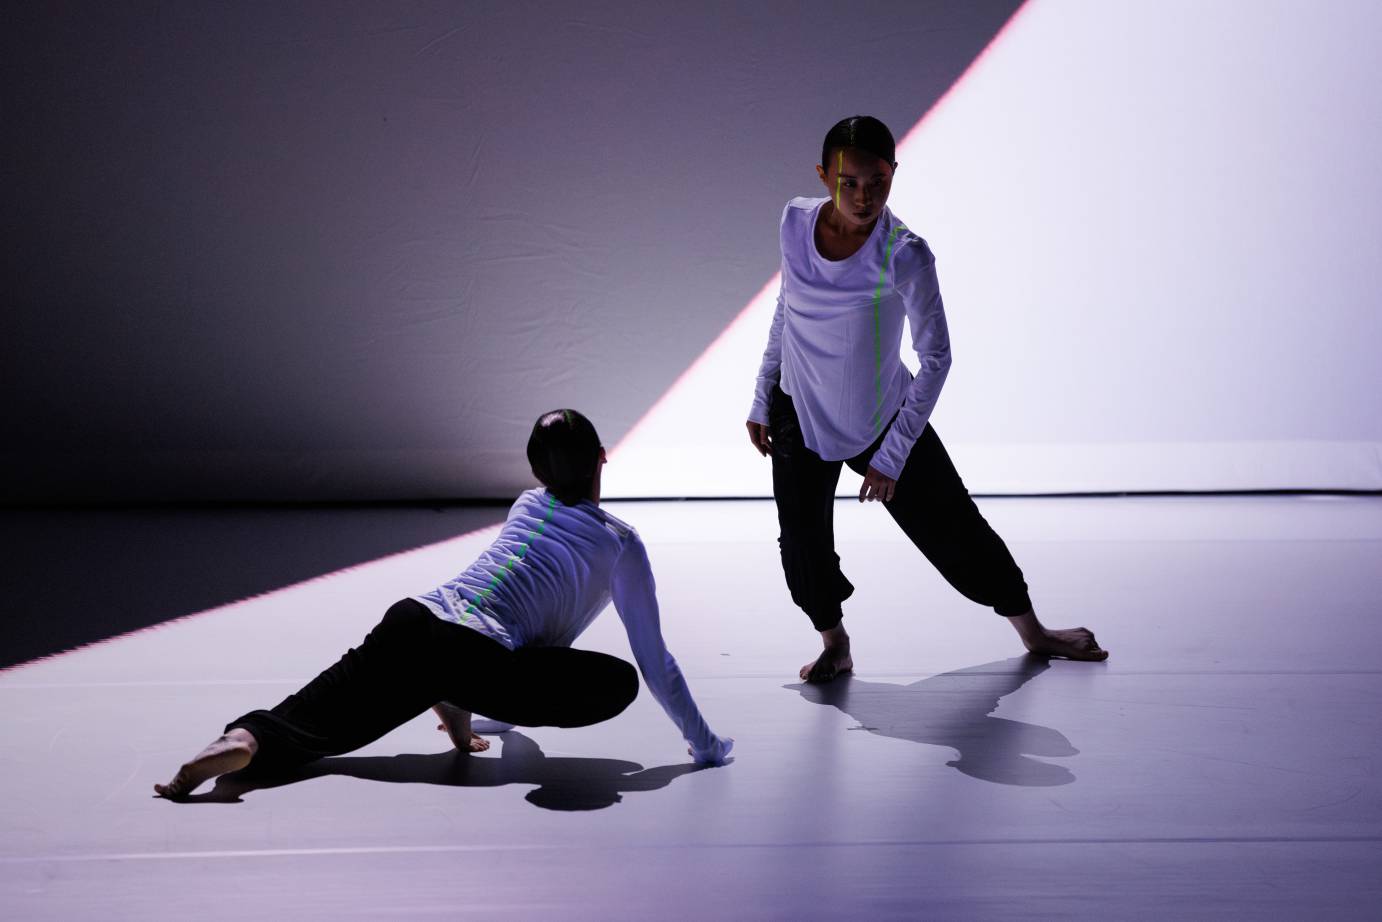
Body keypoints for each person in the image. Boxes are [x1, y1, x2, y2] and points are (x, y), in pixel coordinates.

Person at [156, 409, 733, 799]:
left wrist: (487, 713)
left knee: (316, 720)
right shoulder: (620, 544)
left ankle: (243, 740)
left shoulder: (526, 505)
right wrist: (706, 746)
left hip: (416, 616)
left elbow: (531, 640)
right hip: (473, 654)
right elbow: (654, 660)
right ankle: (452, 693)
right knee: (619, 680)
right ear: (603, 457)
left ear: (536, 471)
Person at [745, 115, 1108, 683]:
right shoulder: (793, 223)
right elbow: (787, 309)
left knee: (957, 532)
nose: (864, 197)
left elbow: (936, 358)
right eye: (849, 183)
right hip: (799, 412)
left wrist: (891, 456)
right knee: (802, 549)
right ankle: (835, 644)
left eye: (879, 181)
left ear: (893, 174)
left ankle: (1033, 632)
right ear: (824, 176)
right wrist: (763, 395)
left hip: (881, 420)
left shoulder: (905, 253)